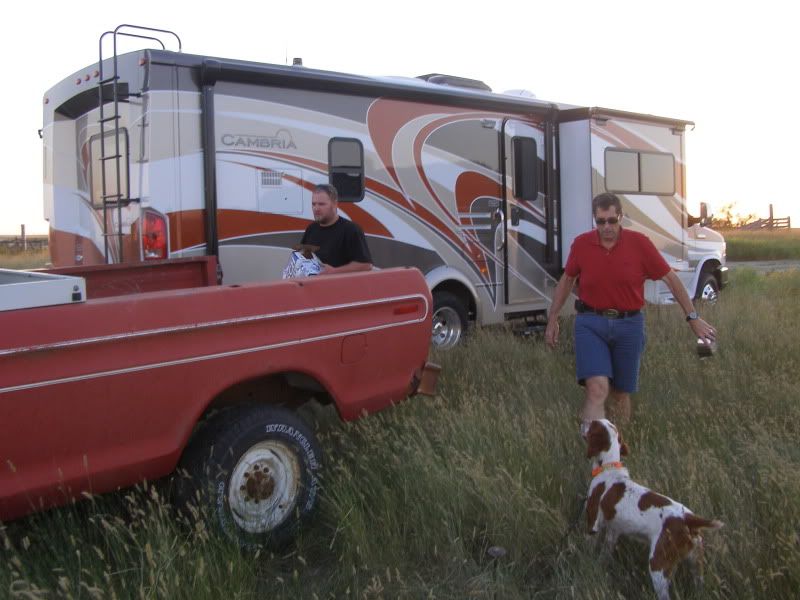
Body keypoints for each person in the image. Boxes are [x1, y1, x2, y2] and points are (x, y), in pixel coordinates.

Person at [544, 193, 716, 433]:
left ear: (621, 217)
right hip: (590, 323)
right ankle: (594, 446)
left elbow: (671, 279)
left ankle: (617, 445)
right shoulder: (582, 244)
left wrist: (693, 318)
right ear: (594, 220)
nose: (606, 227)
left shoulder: (640, 244)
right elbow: (567, 279)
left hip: (629, 325)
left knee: (620, 394)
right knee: (597, 388)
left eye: (611, 221)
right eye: (600, 221)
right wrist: (553, 317)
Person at [300, 184, 373, 274]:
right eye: (313, 204)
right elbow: (301, 258)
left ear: (334, 204)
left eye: (321, 204)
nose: (316, 208)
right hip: (314, 282)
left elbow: (366, 265)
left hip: (340, 283)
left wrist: (334, 271)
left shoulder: (351, 230)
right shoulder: (311, 229)